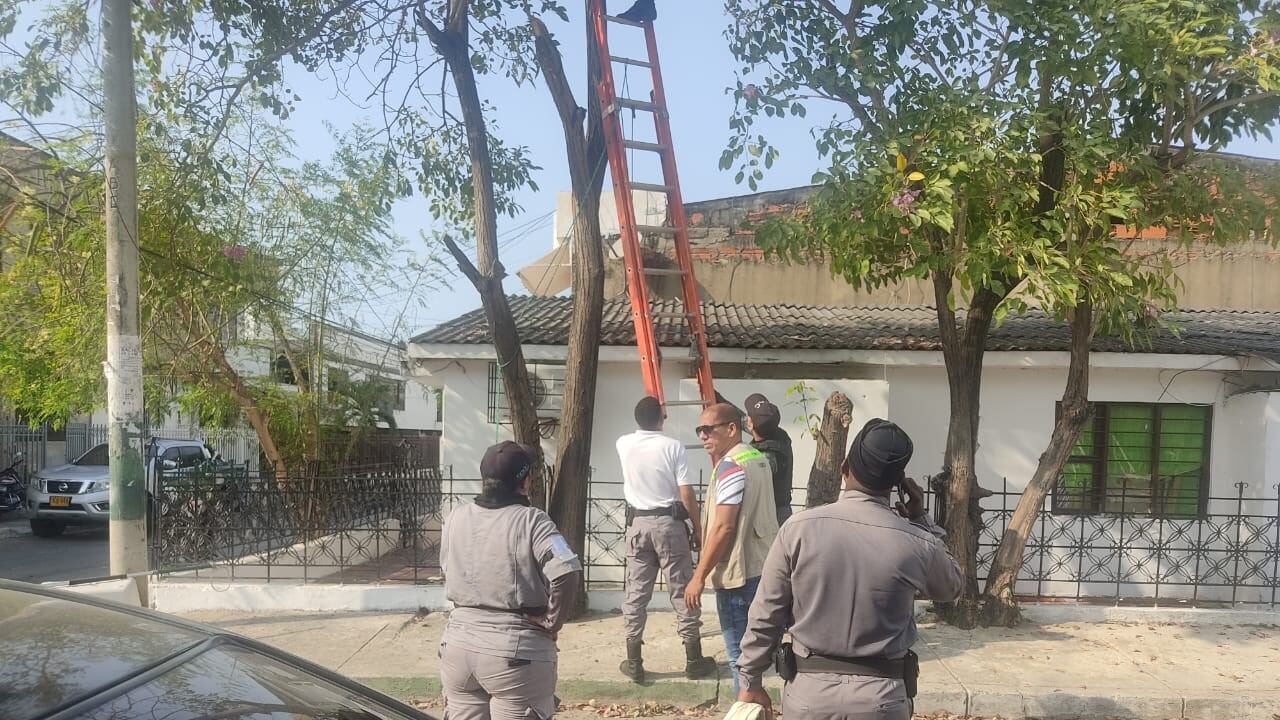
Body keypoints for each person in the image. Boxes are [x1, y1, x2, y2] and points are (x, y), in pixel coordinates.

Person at [734, 419, 965, 720]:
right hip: (881, 700)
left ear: (844, 468)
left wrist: (750, 679)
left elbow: (766, 612)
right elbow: (952, 587)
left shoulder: (798, 530)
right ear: (898, 485)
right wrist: (922, 520)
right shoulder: (917, 542)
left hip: (809, 698)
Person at [439, 441, 582, 720]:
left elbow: (447, 568)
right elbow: (566, 571)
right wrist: (553, 622)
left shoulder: (455, 517)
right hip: (516, 653)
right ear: (525, 481)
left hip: (458, 646)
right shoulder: (532, 521)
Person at [615, 396, 718, 683]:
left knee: (636, 593)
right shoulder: (673, 446)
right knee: (683, 591)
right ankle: (694, 659)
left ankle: (634, 660)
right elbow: (686, 493)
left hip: (637, 524)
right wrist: (697, 527)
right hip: (669, 524)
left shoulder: (623, 443)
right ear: (661, 418)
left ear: (638, 418)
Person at [683, 403, 779, 695]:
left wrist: (699, 575)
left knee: (740, 659)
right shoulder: (756, 458)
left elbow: (724, 527)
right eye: (699, 430)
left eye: (708, 429)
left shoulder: (730, 466)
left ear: (731, 429)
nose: (702, 436)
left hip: (738, 575)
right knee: (755, 658)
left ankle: (746, 712)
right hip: (762, 567)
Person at [744, 393, 795, 525]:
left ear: (750, 424)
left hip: (770, 515)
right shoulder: (781, 435)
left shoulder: (764, 459)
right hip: (784, 510)